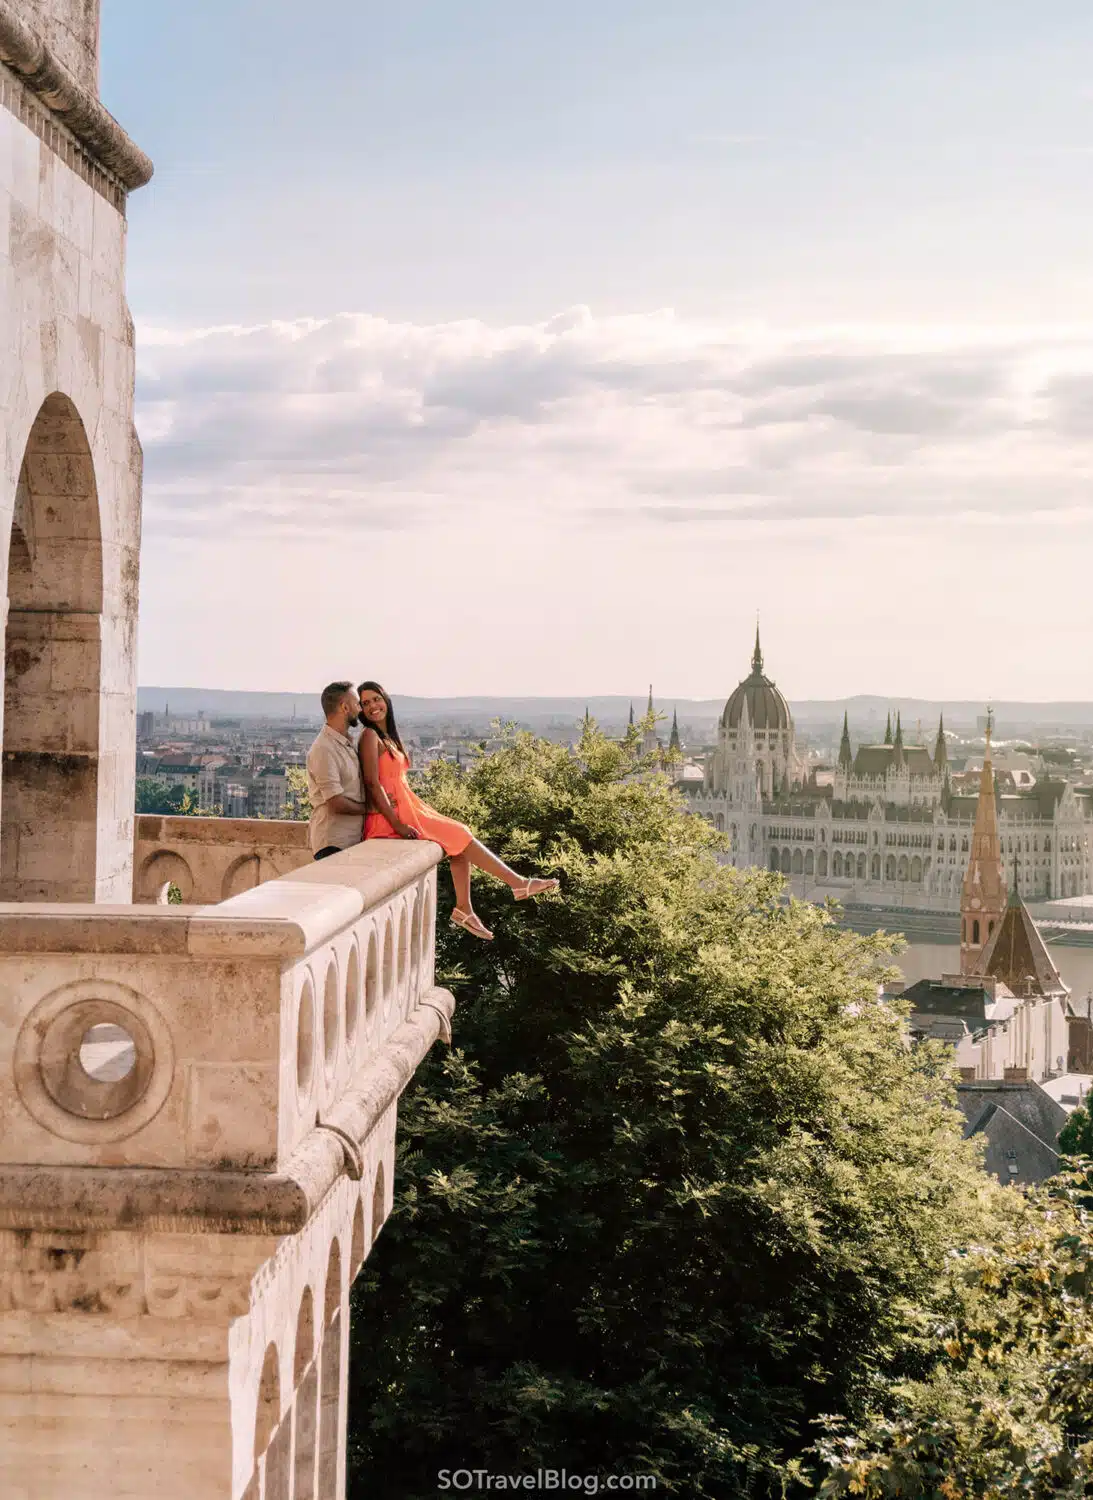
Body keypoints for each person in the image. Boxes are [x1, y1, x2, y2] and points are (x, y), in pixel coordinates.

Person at [357, 680, 559, 940]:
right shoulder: (370, 736)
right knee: (459, 834)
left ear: (386, 699)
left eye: (376, 699)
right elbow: (373, 784)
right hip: (394, 817)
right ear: (361, 710)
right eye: (365, 703)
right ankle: (517, 885)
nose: (373, 706)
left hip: (409, 807)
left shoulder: (388, 737)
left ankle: (465, 908)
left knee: (457, 839)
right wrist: (396, 824)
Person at [306, 681, 369, 860]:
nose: (360, 709)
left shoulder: (344, 743)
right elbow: (336, 803)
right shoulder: (324, 749)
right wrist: (370, 809)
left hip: (348, 842)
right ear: (344, 707)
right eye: (357, 704)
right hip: (333, 843)